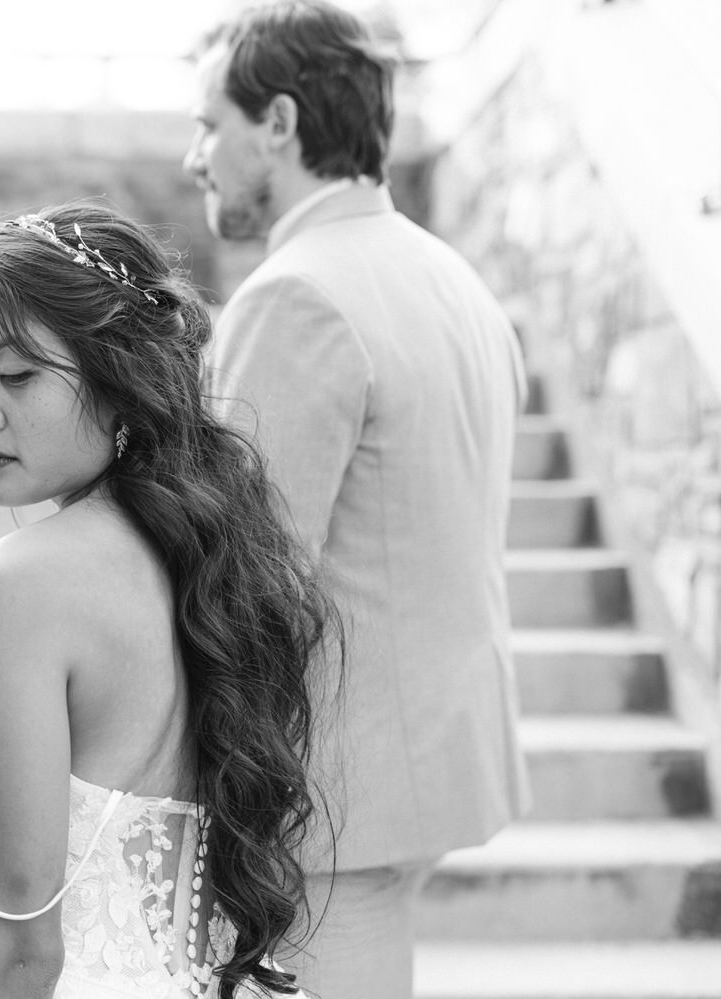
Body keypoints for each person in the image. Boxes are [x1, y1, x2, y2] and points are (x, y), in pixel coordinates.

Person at [183, 3, 532, 997]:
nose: (193, 156)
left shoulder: (294, 296)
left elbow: (245, 582)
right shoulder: (452, 278)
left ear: (279, 125)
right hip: (427, 753)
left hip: (333, 786)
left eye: (211, 125)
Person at [0, 201, 339, 999]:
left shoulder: (9, 592)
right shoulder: (211, 551)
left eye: (17, 374)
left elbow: (17, 952)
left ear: (122, 383)